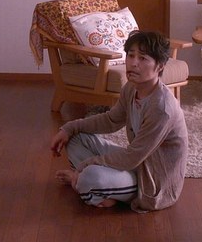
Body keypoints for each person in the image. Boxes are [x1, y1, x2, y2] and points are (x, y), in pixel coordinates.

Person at [50, 30, 188, 212]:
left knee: (90, 176)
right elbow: (110, 120)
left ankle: (89, 184)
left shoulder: (162, 109)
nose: (133, 63)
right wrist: (69, 128)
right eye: (131, 55)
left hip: (152, 180)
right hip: (136, 162)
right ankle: (96, 187)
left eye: (143, 58)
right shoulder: (131, 88)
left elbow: (132, 157)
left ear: (160, 66)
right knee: (76, 138)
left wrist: (83, 167)